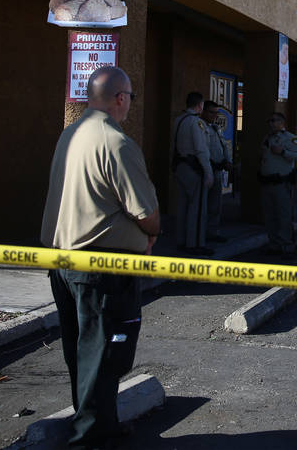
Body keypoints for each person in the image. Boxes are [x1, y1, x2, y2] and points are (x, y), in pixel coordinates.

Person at [40, 66, 160, 450]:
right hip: (102, 268)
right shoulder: (116, 142)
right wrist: (152, 233)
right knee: (105, 350)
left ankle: (98, 421)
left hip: (64, 262)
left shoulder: (70, 134)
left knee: (83, 350)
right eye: (131, 98)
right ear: (121, 98)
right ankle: (90, 435)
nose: (130, 105)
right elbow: (145, 211)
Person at [259, 111, 297, 258]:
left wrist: (283, 152)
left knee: (283, 216)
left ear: (281, 123)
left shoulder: (290, 139)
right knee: (269, 215)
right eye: (270, 121)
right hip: (267, 182)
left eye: (274, 121)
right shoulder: (266, 138)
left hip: (282, 183)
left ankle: (287, 245)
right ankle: (274, 244)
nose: (271, 123)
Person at [173, 92, 213, 256]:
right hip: (194, 168)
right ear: (199, 106)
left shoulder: (178, 120)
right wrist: (208, 172)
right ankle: (195, 243)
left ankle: (181, 240)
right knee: (197, 209)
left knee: (182, 206)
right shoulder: (196, 123)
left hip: (180, 167)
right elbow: (201, 149)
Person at [202, 100, 232, 243]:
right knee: (203, 205)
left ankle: (213, 231)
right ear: (203, 111)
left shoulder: (215, 128)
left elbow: (223, 146)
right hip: (206, 170)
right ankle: (201, 233)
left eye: (216, 113)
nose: (214, 116)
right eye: (211, 112)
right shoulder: (200, 127)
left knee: (215, 205)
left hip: (218, 170)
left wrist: (227, 161)